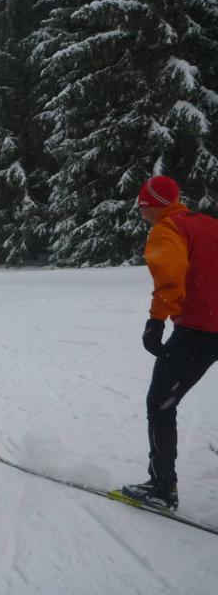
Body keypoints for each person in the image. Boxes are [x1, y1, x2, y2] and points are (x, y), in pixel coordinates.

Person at [122, 176, 218, 510]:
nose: (141, 211)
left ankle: (162, 488)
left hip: (199, 330)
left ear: (154, 203)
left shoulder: (167, 229)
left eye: (143, 205)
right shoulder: (207, 224)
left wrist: (155, 321)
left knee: (160, 403)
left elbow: (170, 275)